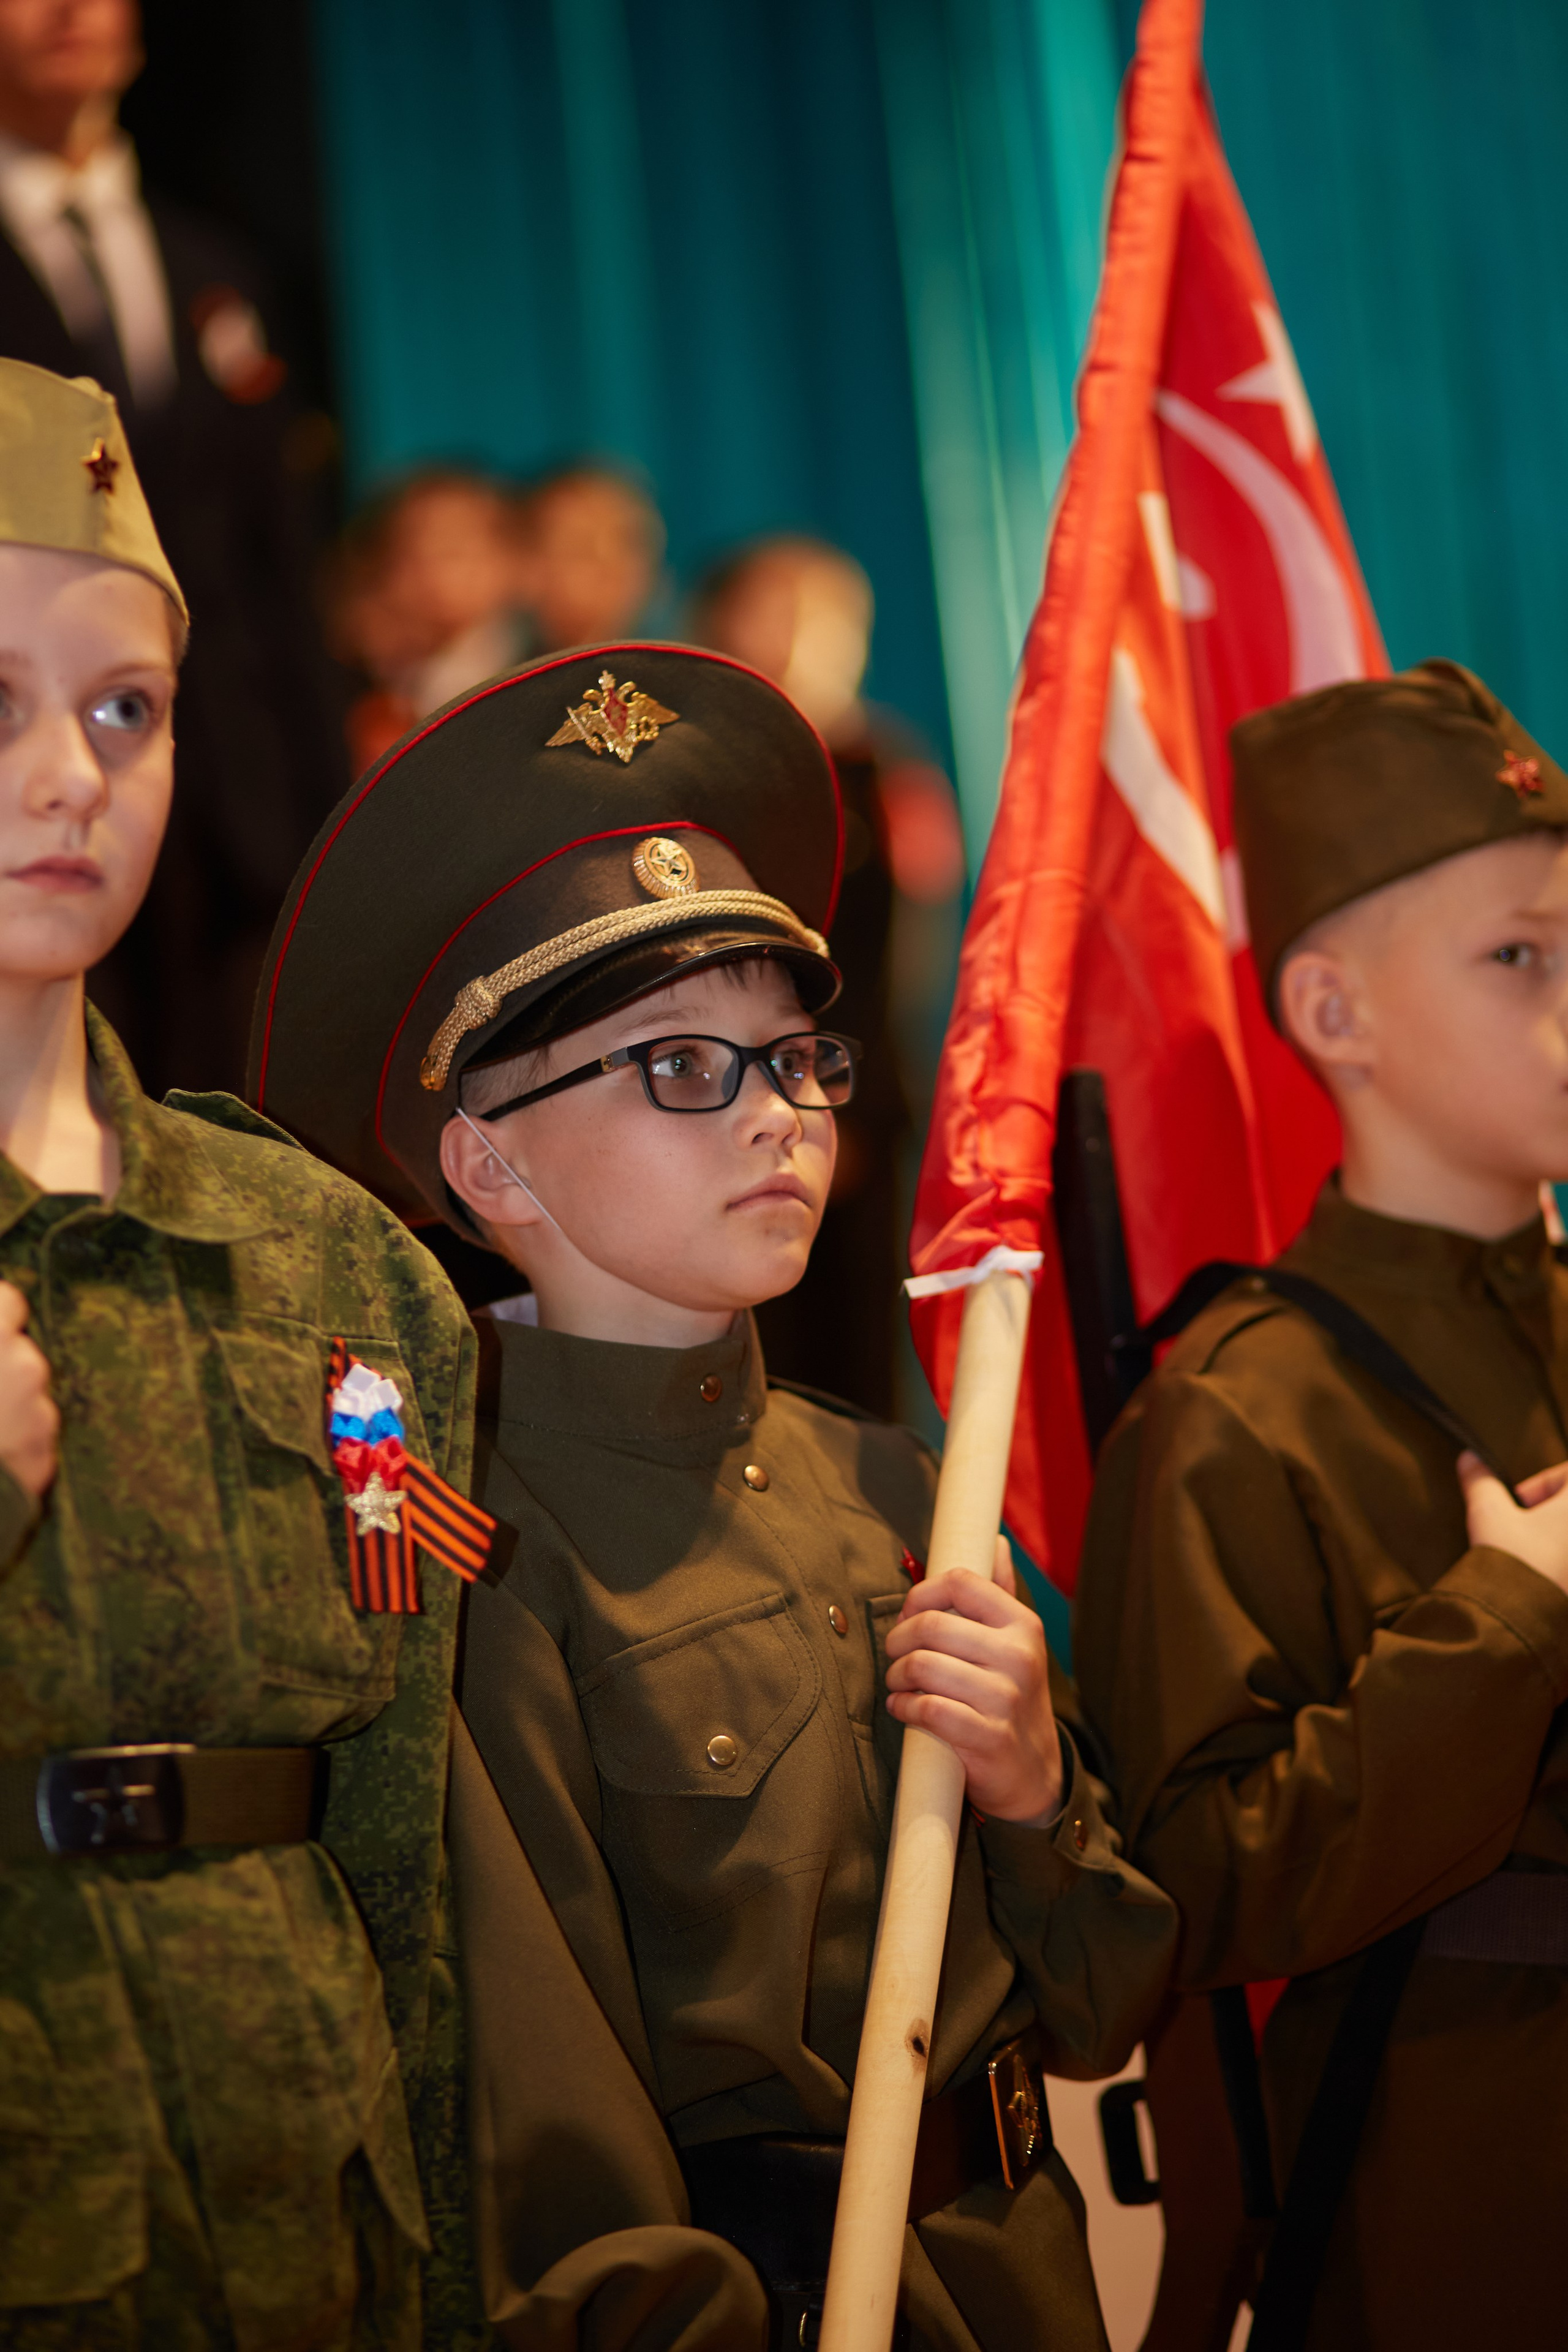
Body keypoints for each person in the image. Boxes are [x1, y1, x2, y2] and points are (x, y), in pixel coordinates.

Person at [251, 641, 1178, 2351]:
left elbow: (1111, 1990)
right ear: (488, 1159)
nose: (779, 1118)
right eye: (683, 1067)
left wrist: (1036, 1792)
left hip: (1027, 2286)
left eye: (797, 1059)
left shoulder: (893, 1482)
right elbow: (545, 2128)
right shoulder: (463, 1546)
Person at [0, 358, 488, 2348]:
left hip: (313, 2238)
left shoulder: (335, 1265)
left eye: (126, 708)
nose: (70, 775)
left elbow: (402, 1847)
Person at [1073, 659, 1568, 2351]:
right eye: (1518, 958)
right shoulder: (1233, 1409)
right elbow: (1182, 1893)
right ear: (1334, 1013)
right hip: (1468, 2192)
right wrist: (1505, 1627)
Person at [0, 0, 348, 1095]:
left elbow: (282, 569)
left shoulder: (220, 270)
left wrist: (326, 813)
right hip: (32, 795)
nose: (70, 9)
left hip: (238, 816)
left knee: (241, 1115)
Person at [692, 535, 965, 1415]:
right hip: (718, 1101)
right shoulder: (694, 773)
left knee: (855, 1360)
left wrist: (845, 1097)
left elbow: (905, 958)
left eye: (825, 617)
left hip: (857, 1099)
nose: (800, 636)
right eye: (773, 610)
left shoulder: (887, 771)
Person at [327, 470, 532, 778]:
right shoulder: (364, 685)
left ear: (509, 563)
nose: (430, 568)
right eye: (410, 551)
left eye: (454, 550)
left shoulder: (533, 679)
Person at [514, 461, 665, 652]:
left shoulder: (681, 662)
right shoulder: (497, 662)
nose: (613, 570)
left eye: (631, 544)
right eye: (581, 549)